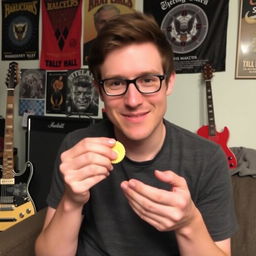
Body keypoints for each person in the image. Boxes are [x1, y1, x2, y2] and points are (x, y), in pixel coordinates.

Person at [35, 12, 237, 256]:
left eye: (148, 79)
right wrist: (72, 199)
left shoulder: (208, 158)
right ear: (100, 91)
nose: (133, 100)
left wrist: (188, 223)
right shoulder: (77, 146)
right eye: (116, 83)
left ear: (169, 82)